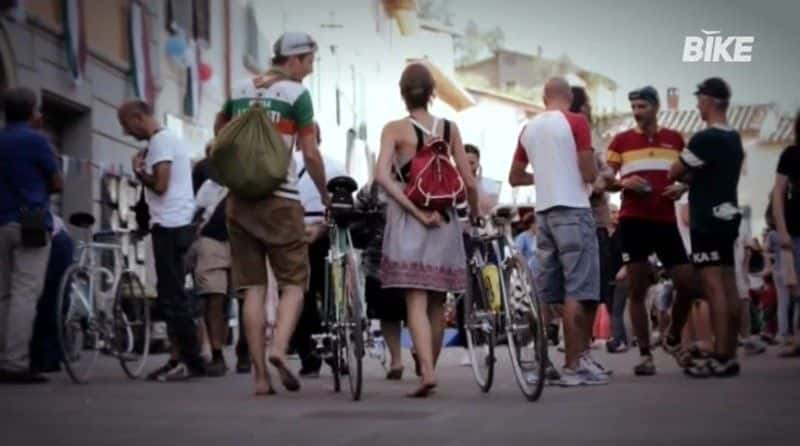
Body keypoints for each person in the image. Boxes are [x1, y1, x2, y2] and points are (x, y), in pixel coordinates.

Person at [217, 32, 328, 395]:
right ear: (294, 59)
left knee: (251, 287)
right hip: (281, 200)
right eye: (309, 61)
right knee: (295, 281)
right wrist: (325, 194)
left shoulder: (238, 89)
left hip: (240, 200)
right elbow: (310, 154)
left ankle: (260, 377)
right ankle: (280, 347)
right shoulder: (297, 95)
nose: (310, 69)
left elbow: (220, 135)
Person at [375, 62, 479, 397]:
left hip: (409, 221)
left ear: (402, 93)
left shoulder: (394, 129)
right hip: (445, 220)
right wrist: (475, 215)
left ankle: (428, 372)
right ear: (433, 93)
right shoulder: (450, 129)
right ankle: (428, 369)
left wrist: (414, 211)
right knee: (437, 301)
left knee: (414, 301)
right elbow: (469, 181)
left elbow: (381, 176)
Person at [508, 77, 605, 386]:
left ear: (543, 96)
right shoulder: (576, 121)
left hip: (543, 214)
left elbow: (515, 176)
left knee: (547, 290)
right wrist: (593, 179)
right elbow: (589, 172)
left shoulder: (529, 128)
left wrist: (547, 175)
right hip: (574, 209)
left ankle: (541, 362)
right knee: (578, 287)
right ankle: (573, 366)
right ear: (569, 97)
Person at [607, 86, 698, 376]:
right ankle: (645, 355)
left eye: (642, 106)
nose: (636, 112)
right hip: (633, 221)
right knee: (637, 289)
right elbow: (605, 179)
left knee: (688, 284)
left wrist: (683, 186)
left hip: (665, 221)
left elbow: (691, 173)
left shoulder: (675, 139)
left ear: (656, 107)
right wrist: (623, 184)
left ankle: (671, 337)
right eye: (633, 107)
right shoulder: (621, 141)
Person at [118, 100, 206, 381]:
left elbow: (160, 184)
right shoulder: (167, 140)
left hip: (170, 224)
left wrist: (138, 172)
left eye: (126, 125)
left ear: (138, 117)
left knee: (172, 297)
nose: (127, 132)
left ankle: (191, 359)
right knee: (174, 294)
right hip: (176, 222)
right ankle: (180, 358)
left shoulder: (160, 142)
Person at [669, 77, 745, 377]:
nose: (697, 105)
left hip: (706, 219)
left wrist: (684, 184)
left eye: (699, 99)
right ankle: (730, 353)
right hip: (728, 214)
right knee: (728, 284)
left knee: (713, 286)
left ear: (710, 101)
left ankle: (720, 355)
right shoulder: (734, 139)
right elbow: (714, 175)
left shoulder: (704, 139)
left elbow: (675, 171)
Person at [0, 87, 63, 384]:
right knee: (25, 292)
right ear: (31, 112)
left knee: (4, 293)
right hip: (31, 220)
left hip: (1, 220)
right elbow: (57, 182)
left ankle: (4, 356)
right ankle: (15, 362)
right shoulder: (38, 140)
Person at [571, 86, 616, 374]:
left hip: (596, 222)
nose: (589, 112)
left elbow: (607, 173)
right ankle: (578, 356)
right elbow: (593, 179)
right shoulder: (573, 142)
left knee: (591, 293)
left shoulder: (588, 141)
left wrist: (604, 178)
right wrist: (597, 183)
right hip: (584, 221)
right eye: (586, 107)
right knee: (583, 293)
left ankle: (581, 354)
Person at [291, 141, 346, 378]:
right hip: (326, 232)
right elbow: (344, 204)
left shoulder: (286, 164)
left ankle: (309, 356)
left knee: (300, 294)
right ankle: (336, 353)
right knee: (332, 295)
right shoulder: (334, 165)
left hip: (295, 233)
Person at [356, 179, 407, 379]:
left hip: (381, 258)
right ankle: (408, 357)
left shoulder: (375, 187)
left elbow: (355, 212)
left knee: (390, 313)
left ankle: (398, 359)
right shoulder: (374, 187)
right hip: (395, 258)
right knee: (400, 310)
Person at [192, 148, 231, 377]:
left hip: (242, 243)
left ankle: (246, 352)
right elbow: (195, 214)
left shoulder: (247, 182)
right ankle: (217, 354)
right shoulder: (208, 187)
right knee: (213, 297)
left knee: (247, 298)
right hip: (212, 242)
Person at [770, 111, 800, 357]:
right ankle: (796, 339)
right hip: (795, 229)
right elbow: (778, 192)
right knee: (795, 287)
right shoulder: (791, 154)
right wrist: (782, 229)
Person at [30, 214, 74, 374]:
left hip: (44, 233)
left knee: (49, 300)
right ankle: (45, 355)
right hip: (38, 230)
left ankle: (47, 355)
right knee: (47, 300)